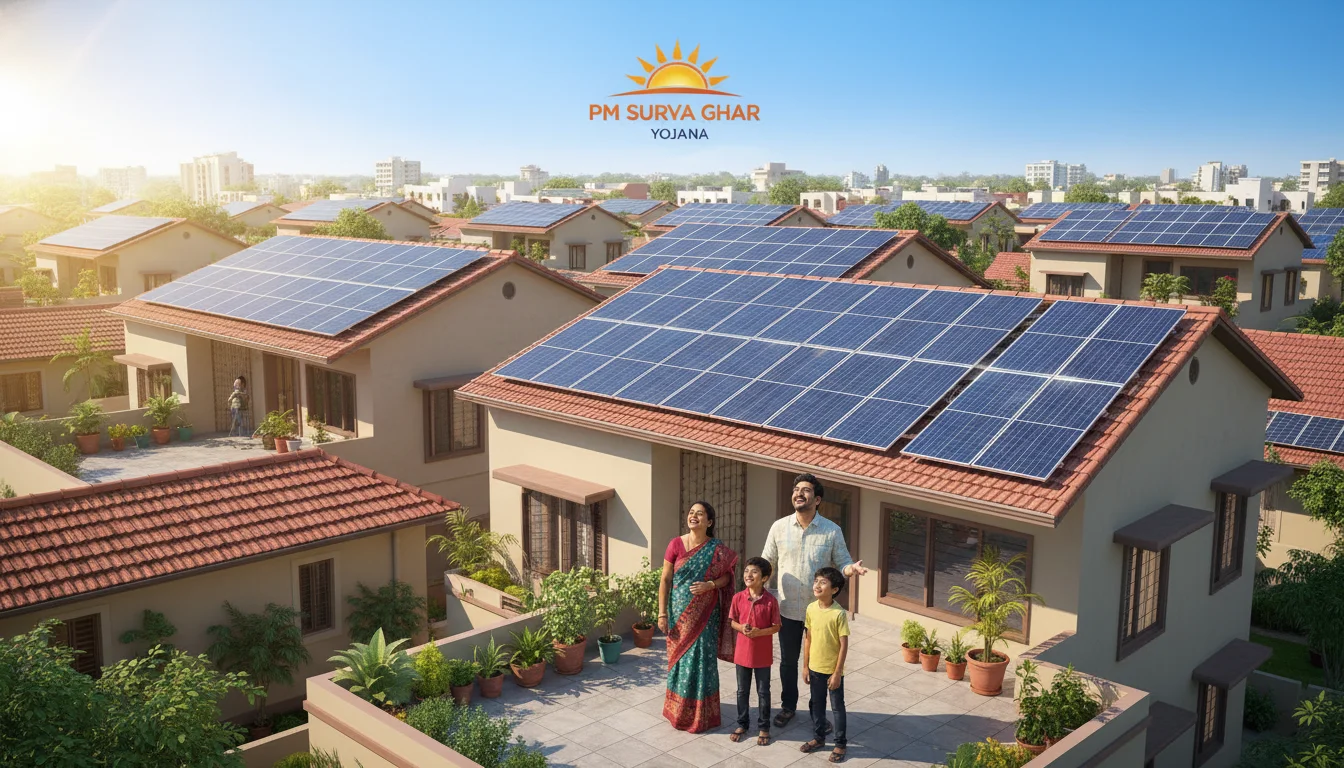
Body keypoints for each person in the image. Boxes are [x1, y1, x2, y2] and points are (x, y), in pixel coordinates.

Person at [761, 473, 868, 730]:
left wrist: (850, 569)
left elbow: (842, 562)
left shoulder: (832, 531)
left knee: (818, 666)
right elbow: (768, 563)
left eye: (806, 490)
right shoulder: (779, 527)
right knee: (788, 662)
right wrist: (757, 587)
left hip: (818, 613)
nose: (799, 493)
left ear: (817, 499)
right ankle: (788, 707)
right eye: (796, 489)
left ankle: (816, 713)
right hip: (787, 609)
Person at [658, 501, 739, 733]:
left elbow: (727, 578)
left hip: (705, 615)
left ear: (709, 522)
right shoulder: (675, 544)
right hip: (678, 613)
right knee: (680, 660)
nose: (694, 516)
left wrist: (709, 585)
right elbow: (665, 579)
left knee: (702, 660)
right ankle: (679, 710)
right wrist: (662, 613)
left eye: (700, 514)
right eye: (692, 513)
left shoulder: (716, 548)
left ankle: (702, 714)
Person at [728, 556, 780, 746]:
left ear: (764, 578)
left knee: (763, 691)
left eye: (754, 571)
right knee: (742, 691)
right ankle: (742, 724)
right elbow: (732, 621)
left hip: (762, 655)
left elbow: (776, 626)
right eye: (747, 571)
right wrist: (741, 628)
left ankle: (764, 727)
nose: (748, 574)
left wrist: (759, 632)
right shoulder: (738, 598)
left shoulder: (770, 601)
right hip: (742, 653)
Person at [800, 567, 849, 763]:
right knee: (817, 704)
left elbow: (844, 645)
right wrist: (805, 666)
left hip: (832, 670)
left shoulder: (839, 614)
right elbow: (808, 639)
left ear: (834, 589)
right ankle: (819, 738)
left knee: (837, 708)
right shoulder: (811, 608)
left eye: (823, 582)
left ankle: (840, 744)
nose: (817, 585)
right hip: (814, 668)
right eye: (816, 581)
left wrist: (837, 672)